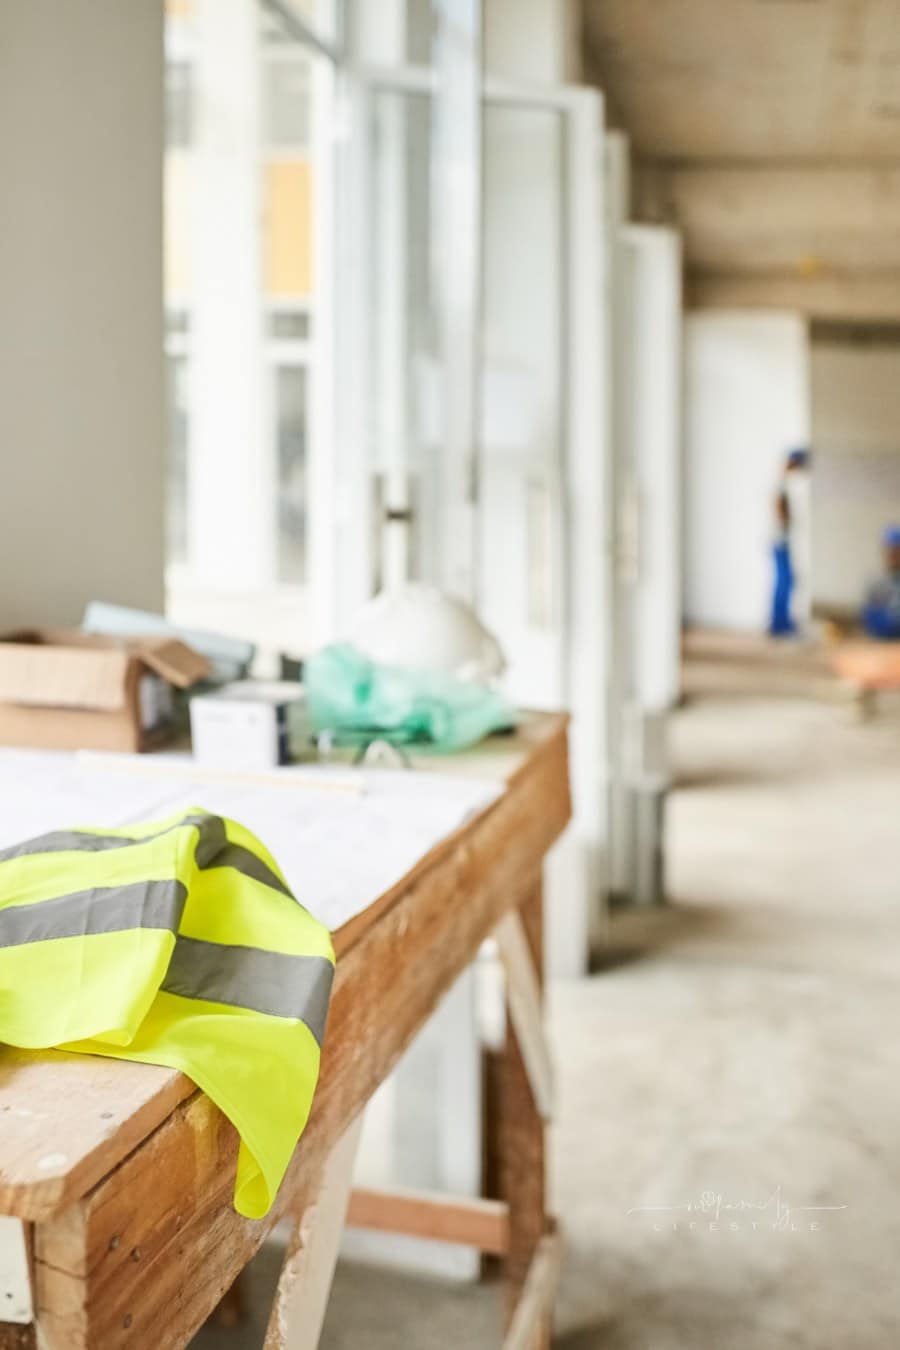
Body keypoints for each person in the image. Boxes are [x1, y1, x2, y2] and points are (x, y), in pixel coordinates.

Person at [769, 448, 809, 638]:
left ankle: (782, 622)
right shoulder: (782, 484)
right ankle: (780, 624)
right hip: (780, 541)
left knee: (787, 581)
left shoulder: (785, 483)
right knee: (784, 582)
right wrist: (787, 522)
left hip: (782, 540)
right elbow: (780, 512)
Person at [862, 525, 900, 640]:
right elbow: (869, 618)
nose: (892, 555)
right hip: (880, 644)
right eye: (890, 550)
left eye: (896, 551)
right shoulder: (876, 583)